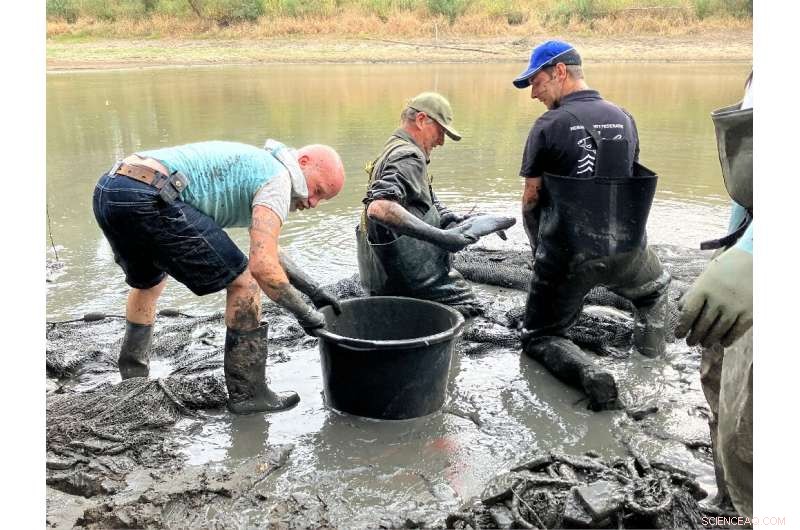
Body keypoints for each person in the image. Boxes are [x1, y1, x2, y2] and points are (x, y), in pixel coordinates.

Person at [92, 139, 346, 414]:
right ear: (303, 163)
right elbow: (262, 266)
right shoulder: (279, 180)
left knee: (150, 283)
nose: (313, 202)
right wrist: (305, 314)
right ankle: (249, 394)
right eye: (317, 190)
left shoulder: (264, 165)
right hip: (150, 196)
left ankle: (134, 379)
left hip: (113, 190)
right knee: (245, 283)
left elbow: (270, 250)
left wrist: (314, 291)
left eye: (322, 199)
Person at [513, 40, 670, 410]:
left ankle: (590, 374)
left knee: (540, 335)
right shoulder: (624, 117)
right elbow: (624, 182)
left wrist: (540, 253)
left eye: (537, 82)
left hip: (570, 257)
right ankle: (649, 362)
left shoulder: (548, 125)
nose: (534, 93)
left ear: (560, 72)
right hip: (628, 250)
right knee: (655, 294)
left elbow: (531, 199)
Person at [356, 92, 515, 317]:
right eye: (440, 132)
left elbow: (420, 198)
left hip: (380, 280)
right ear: (421, 120)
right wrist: (444, 238)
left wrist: (450, 217)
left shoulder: (393, 147)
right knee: (474, 312)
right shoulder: (409, 155)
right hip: (416, 283)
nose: (441, 142)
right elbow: (379, 207)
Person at [675, 72, 753, 517]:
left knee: (751, 421)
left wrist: (758, 249)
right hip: (736, 254)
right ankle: (727, 500)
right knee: (718, 385)